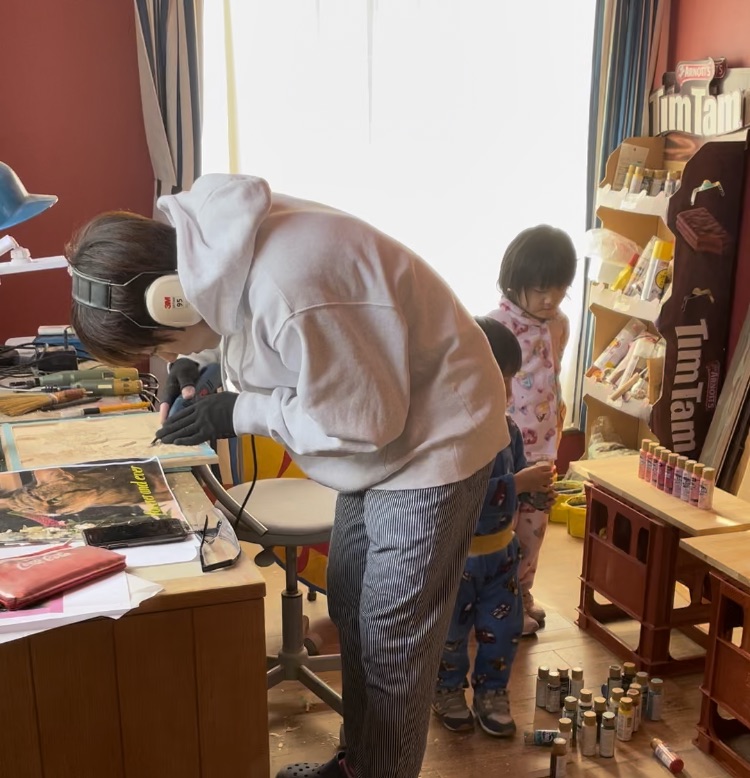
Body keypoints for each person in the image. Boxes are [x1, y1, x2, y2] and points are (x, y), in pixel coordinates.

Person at [65, 173, 508, 778]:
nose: (166, 356)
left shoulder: (295, 283)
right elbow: (249, 321)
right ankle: (359, 763)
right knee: (351, 603)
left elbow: (361, 422)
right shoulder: (211, 249)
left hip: (435, 439)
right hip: (385, 435)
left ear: (173, 298)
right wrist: (201, 361)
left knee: (392, 639)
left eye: (162, 346)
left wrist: (238, 411)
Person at [432, 317, 553, 737]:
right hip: (457, 560)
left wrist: (536, 493)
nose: (508, 392)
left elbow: (518, 482)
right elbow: (459, 497)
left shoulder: (509, 430)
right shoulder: (448, 438)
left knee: (502, 631)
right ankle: (447, 690)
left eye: (511, 380)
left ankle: (492, 693)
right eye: (498, 380)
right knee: (450, 634)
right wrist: (519, 484)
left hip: (502, 556)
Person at [487, 224, 576, 636]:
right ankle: (497, 602)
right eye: (541, 290)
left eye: (559, 289)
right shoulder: (495, 326)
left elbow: (554, 375)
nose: (550, 299)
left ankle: (522, 593)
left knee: (534, 529)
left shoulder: (559, 324)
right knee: (500, 527)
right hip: (504, 450)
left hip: (545, 447)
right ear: (515, 281)